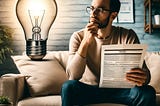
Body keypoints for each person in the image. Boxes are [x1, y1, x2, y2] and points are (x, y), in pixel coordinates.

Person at [61, 0, 156, 105]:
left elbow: (146, 76)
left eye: (100, 10)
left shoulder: (128, 35)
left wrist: (143, 77)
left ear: (113, 15)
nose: (93, 13)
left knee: (147, 92)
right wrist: (85, 42)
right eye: (92, 8)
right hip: (89, 90)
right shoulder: (77, 37)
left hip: (122, 92)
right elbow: (73, 76)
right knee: (68, 87)